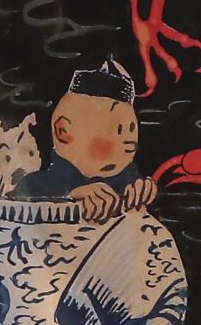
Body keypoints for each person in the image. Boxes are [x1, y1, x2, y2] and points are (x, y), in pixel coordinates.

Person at [12, 61, 158, 221]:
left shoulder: (129, 182)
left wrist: (142, 194)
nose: (130, 143)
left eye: (131, 129)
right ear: (63, 131)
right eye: (116, 130)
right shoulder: (36, 187)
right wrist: (69, 203)